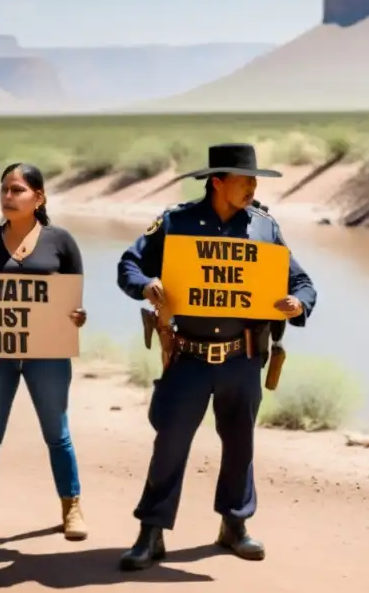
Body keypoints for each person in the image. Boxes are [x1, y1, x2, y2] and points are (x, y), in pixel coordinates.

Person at [115, 142, 317, 571]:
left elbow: (301, 281)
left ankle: (234, 526)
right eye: (246, 180)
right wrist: (147, 284)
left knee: (239, 444)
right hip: (187, 356)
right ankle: (151, 534)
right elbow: (129, 265)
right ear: (218, 182)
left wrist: (296, 304)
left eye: (256, 181)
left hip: (242, 358)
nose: (253, 187)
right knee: (169, 443)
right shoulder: (176, 222)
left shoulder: (264, 227)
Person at [0, 162, 89, 546]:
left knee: (57, 435)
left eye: (18, 190)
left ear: (38, 198)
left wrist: (77, 316)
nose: (9, 197)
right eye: (5, 190)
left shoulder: (61, 242)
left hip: (48, 354)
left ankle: (71, 507)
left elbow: (74, 301)